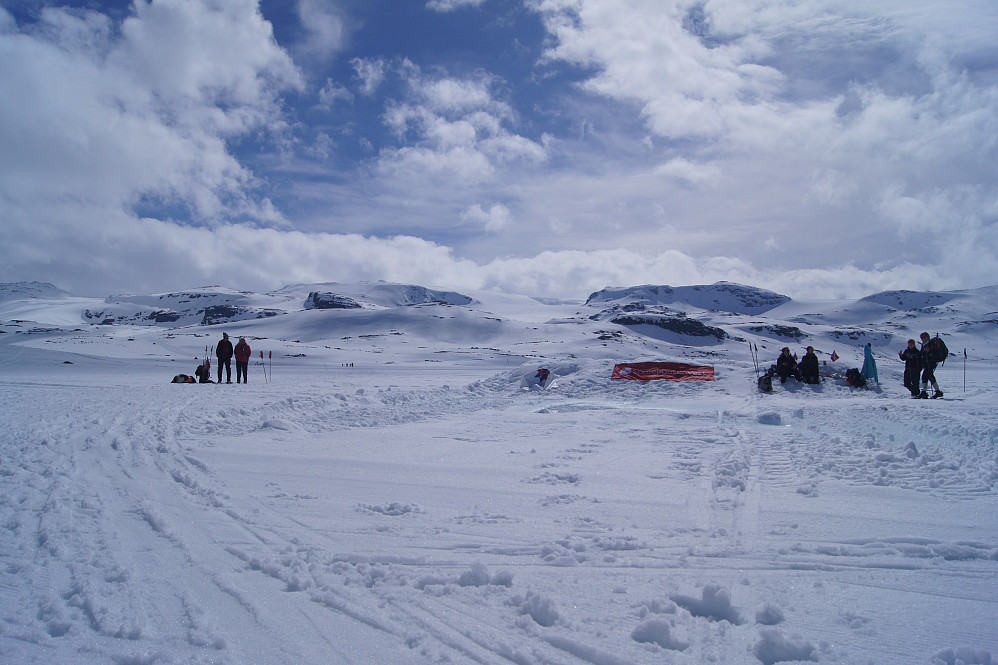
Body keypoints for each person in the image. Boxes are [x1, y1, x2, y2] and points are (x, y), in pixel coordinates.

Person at [918, 331, 943, 399]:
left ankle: (925, 392)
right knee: (928, 376)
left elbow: (932, 352)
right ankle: (935, 392)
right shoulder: (924, 344)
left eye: (923, 337)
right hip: (928, 362)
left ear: (927, 337)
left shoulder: (930, 343)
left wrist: (928, 352)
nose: (922, 339)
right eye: (921, 337)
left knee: (927, 376)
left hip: (931, 362)